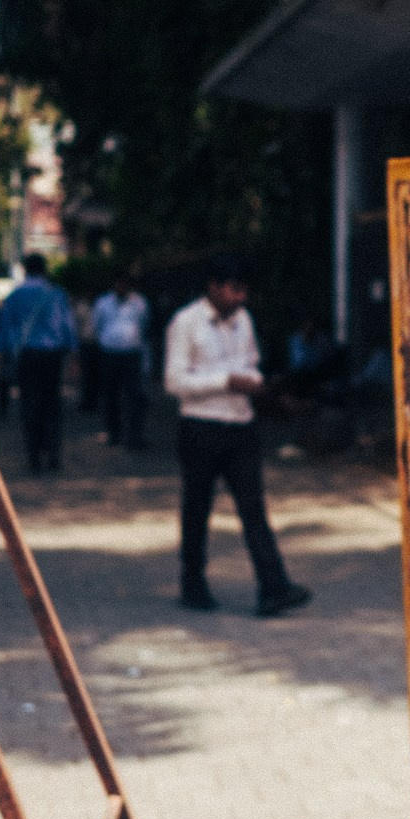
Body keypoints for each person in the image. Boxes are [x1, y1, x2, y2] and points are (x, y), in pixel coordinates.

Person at [163, 256, 310, 616]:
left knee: (253, 509)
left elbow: (250, 363)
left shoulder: (243, 320)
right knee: (197, 507)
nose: (239, 298)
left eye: (243, 291)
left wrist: (257, 384)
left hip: (240, 425)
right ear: (213, 287)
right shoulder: (186, 323)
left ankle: (273, 586)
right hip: (201, 426)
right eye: (233, 289)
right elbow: (174, 382)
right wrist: (224, 382)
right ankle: (193, 582)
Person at [0, 253, 75, 474]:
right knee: (52, 405)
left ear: (26, 270)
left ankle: (34, 457)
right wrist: (72, 355)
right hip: (52, 355)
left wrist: (2, 358)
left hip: (26, 356)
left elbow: (5, 332)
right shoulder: (57, 294)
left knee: (29, 404)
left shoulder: (15, 296)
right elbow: (67, 327)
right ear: (45, 269)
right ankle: (53, 455)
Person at [92, 272, 150, 449]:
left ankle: (135, 436)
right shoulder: (103, 303)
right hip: (110, 354)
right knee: (111, 396)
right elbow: (97, 326)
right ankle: (114, 433)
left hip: (132, 354)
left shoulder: (139, 303)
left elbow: (145, 327)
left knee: (135, 397)